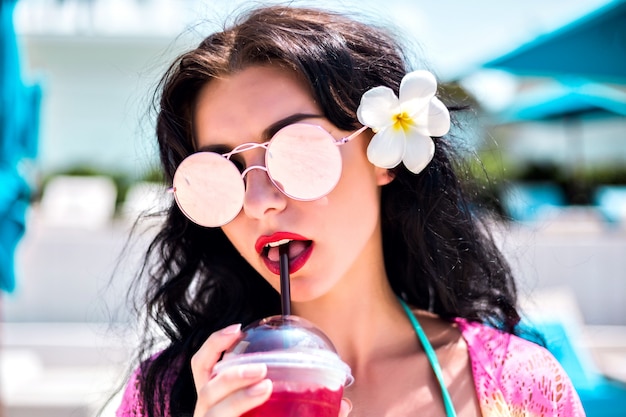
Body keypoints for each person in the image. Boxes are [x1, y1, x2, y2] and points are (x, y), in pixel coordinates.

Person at [116, 4, 585, 417]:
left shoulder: (521, 386)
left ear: (383, 157)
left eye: (297, 151)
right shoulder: (167, 396)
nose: (260, 202)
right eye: (219, 173)